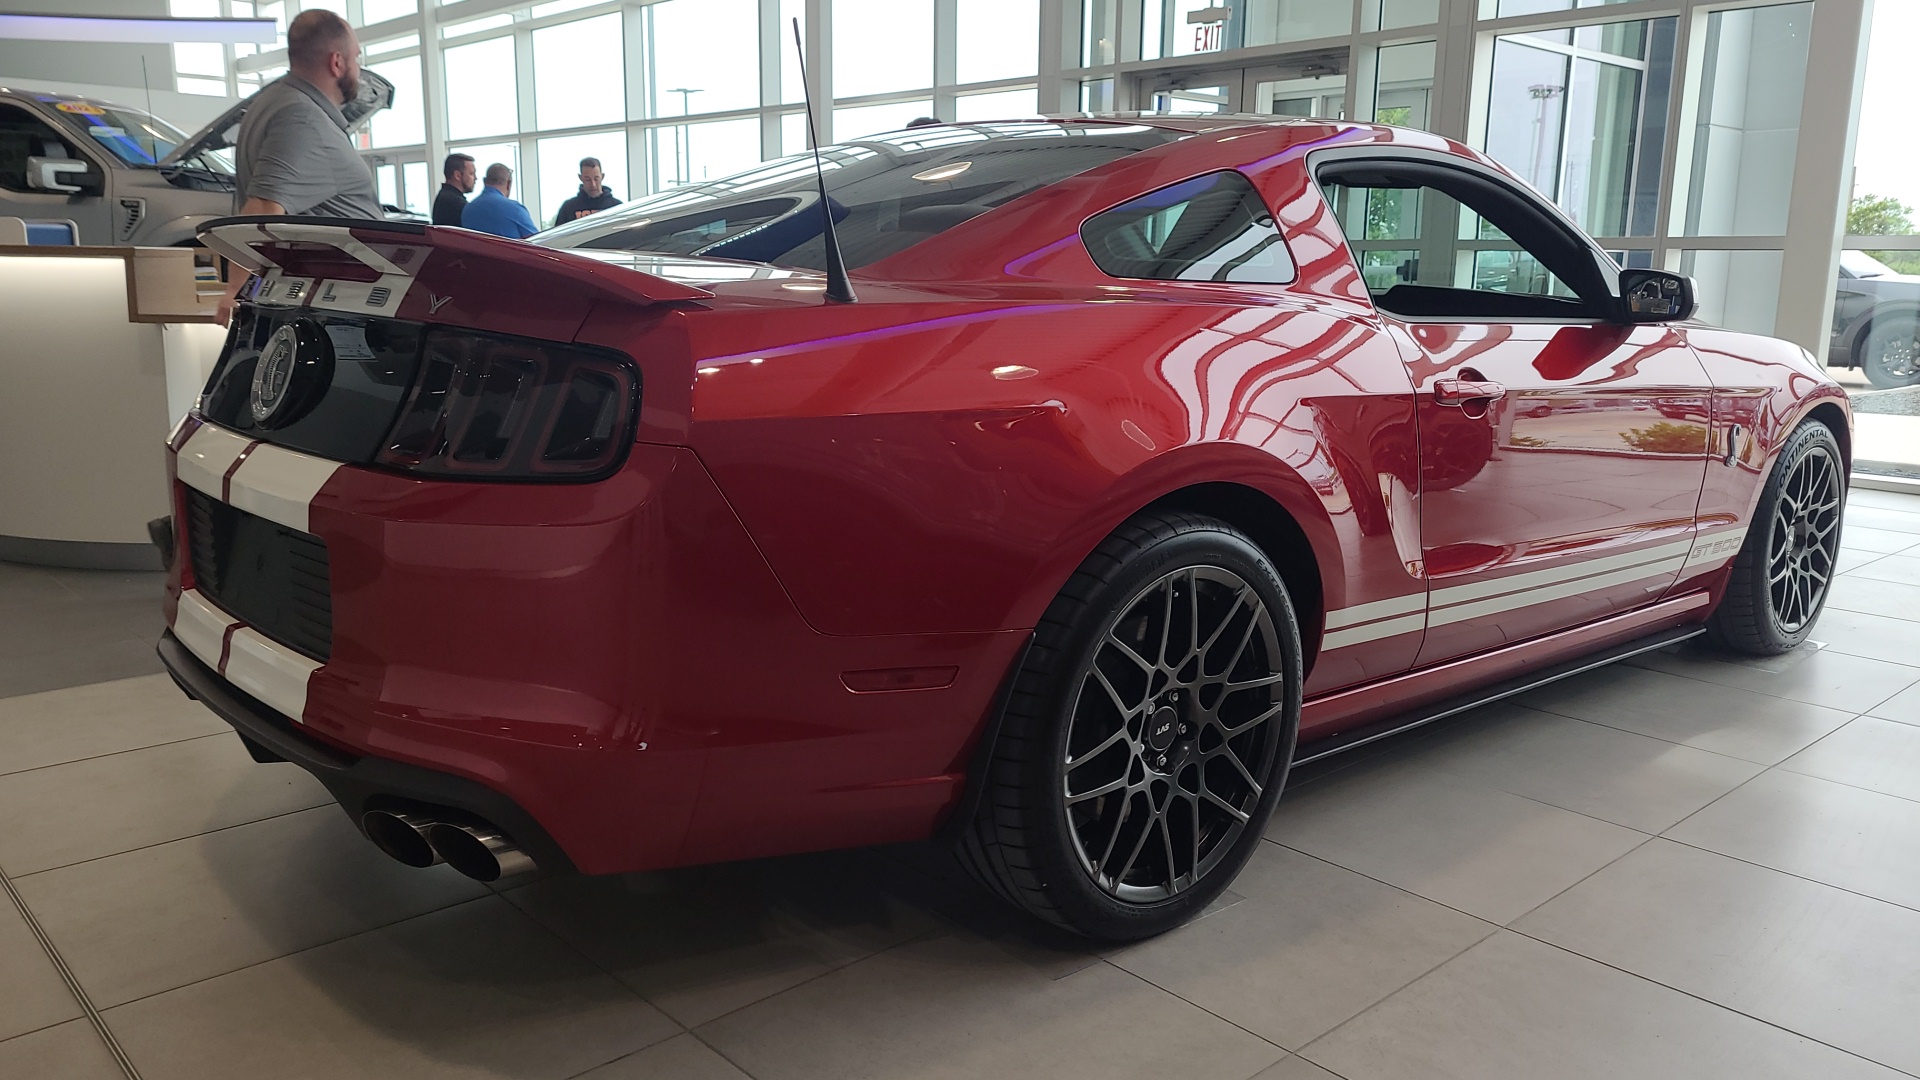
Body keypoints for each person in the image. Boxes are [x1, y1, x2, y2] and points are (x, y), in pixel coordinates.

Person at [232, 9, 379, 220]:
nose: (358, 70)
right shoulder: (302, 118)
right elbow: (260, 214)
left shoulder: (270, 102)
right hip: (330, 254)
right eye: (356, 58)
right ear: (337, 63)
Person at [461, 163, 539, 239]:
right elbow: (536, 242)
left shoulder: (467, 210)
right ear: (509, 183)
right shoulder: (515, 209)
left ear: (484, 181)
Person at [552, 157, 620, 227]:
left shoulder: (617, 207)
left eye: (596, 179)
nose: (593, 184)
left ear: (602, 177)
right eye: (588, 179)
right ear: (580, 178)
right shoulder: (568, 208)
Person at [433, 152, 476, 226]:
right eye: (471, 174)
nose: (475, 178)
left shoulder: (445, 197)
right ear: (457, 175)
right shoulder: (456, 203)